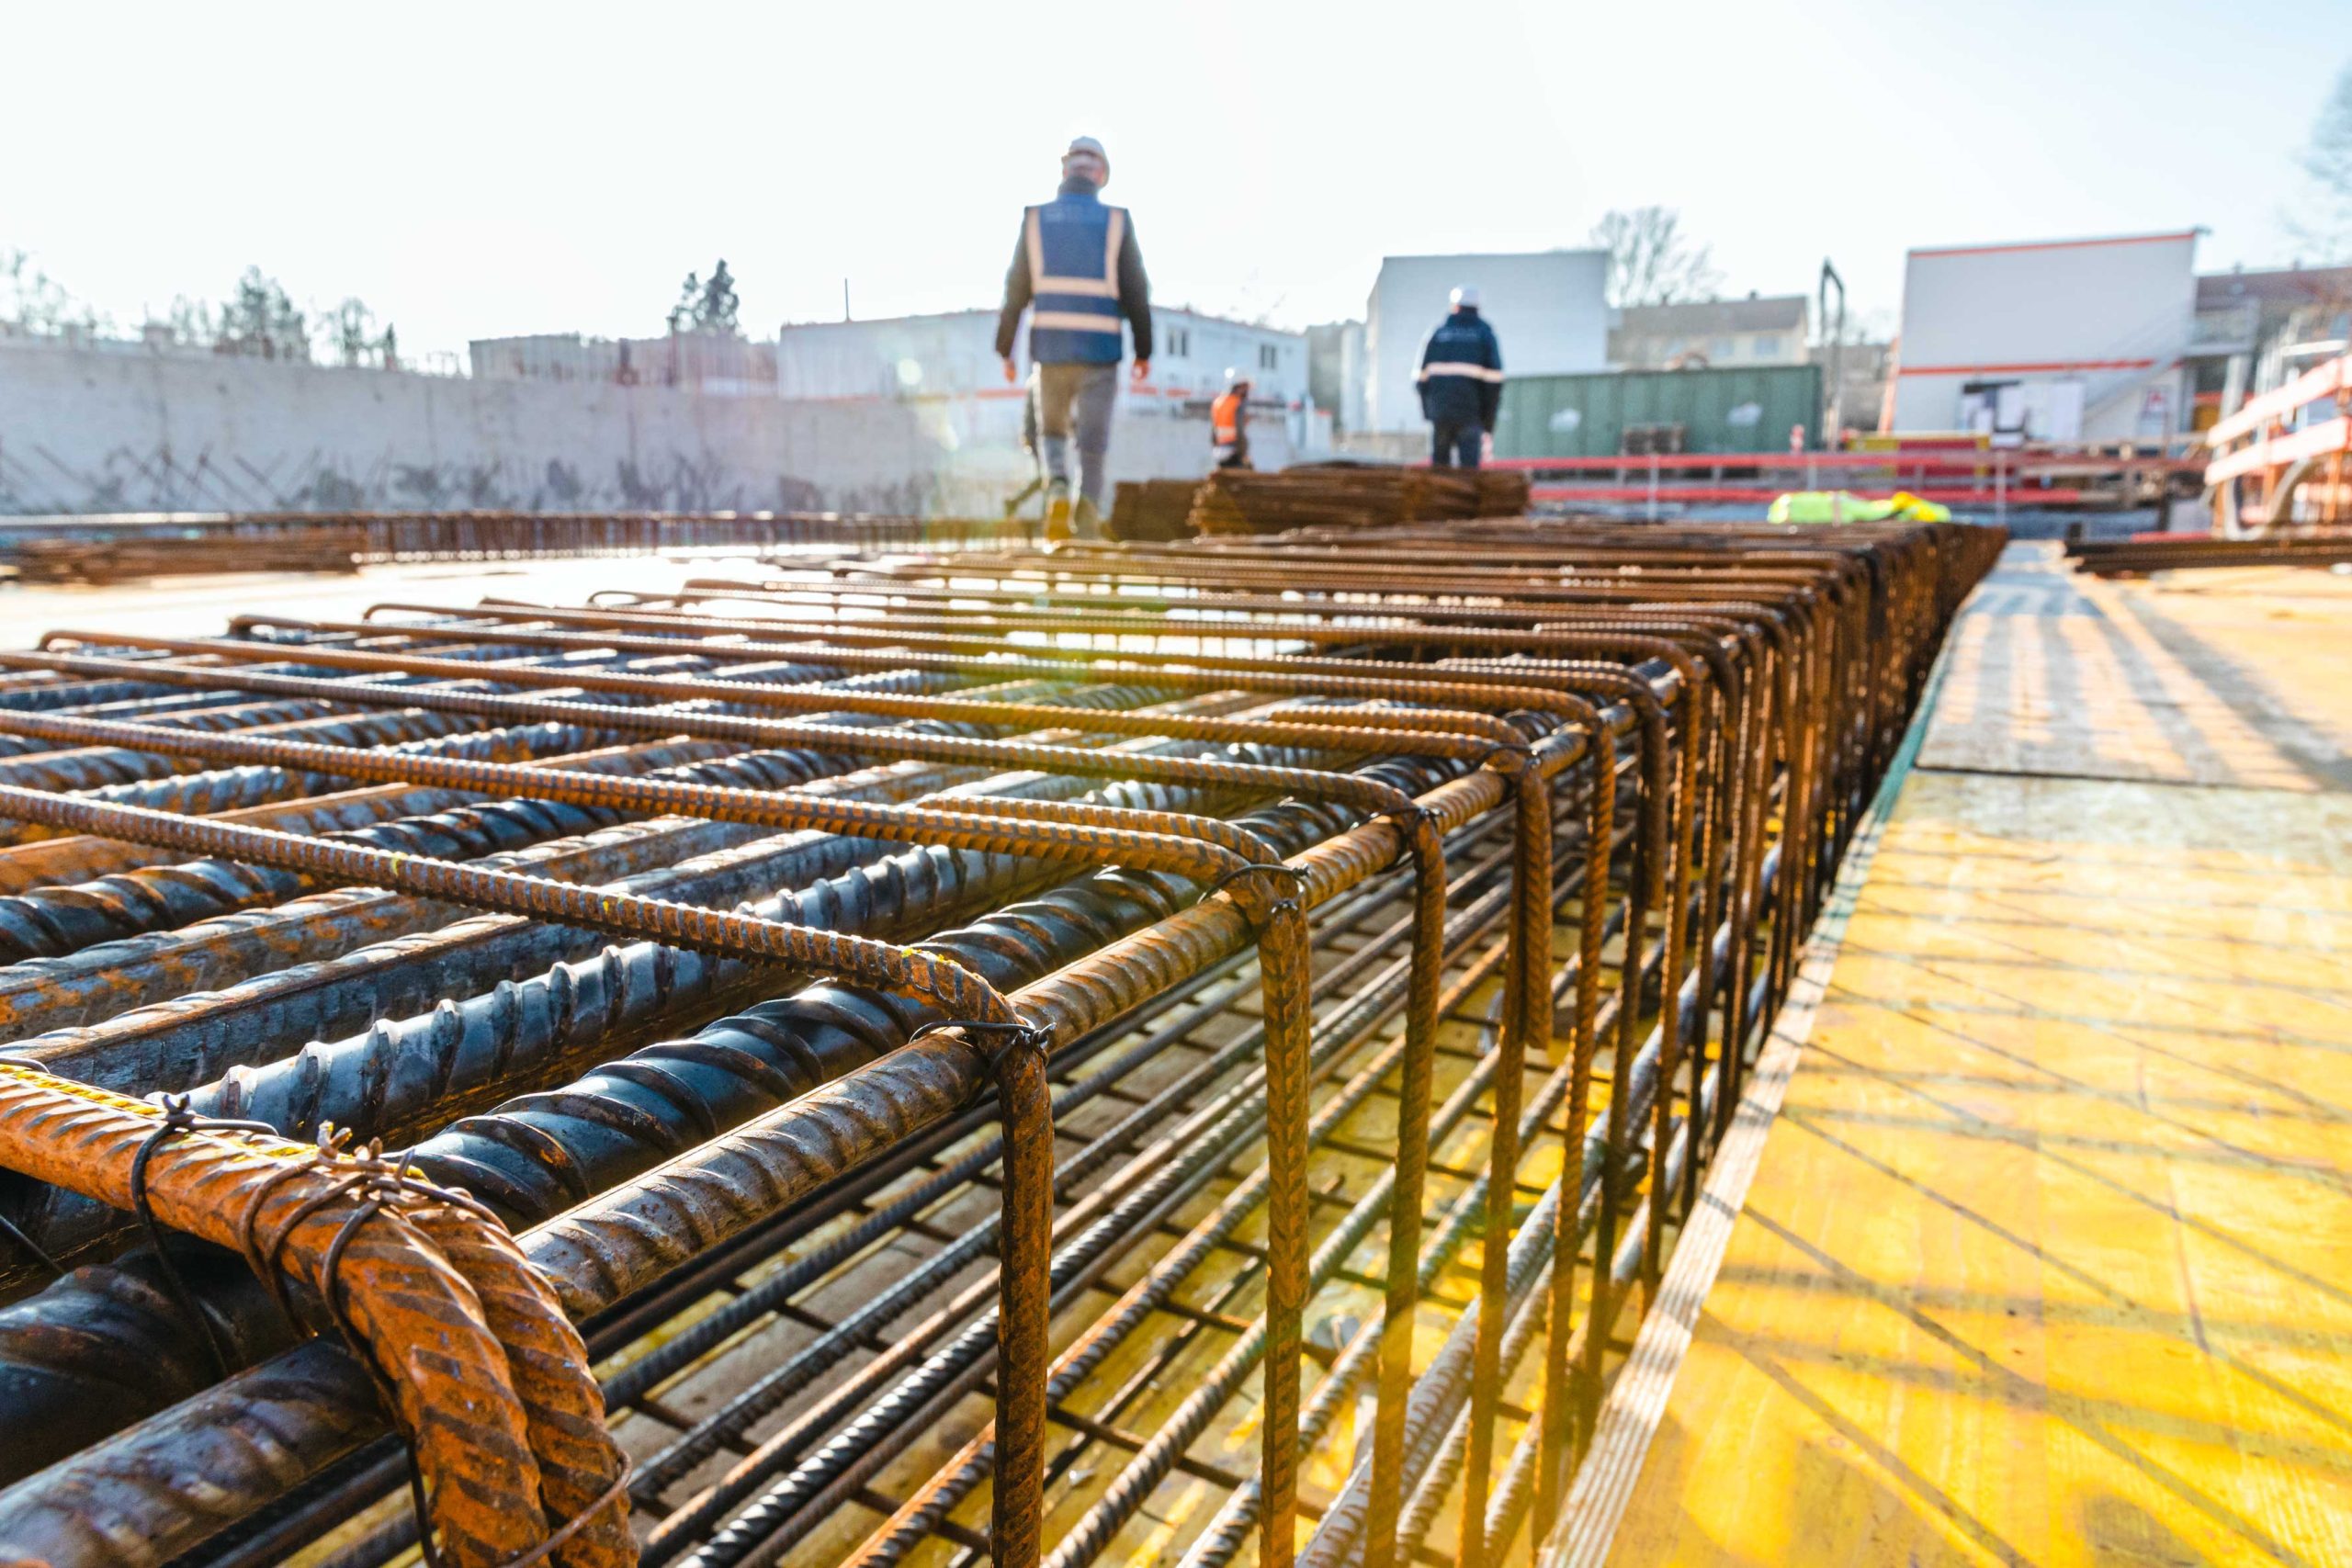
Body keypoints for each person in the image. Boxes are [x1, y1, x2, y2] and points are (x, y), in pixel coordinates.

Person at [996, 135, 1152, 541]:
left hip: (1051, 350)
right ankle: (1085, 519)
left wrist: (1005, 348)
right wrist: (1145, 349)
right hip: (1101, 351)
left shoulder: (1036, 219)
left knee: (1052, 433)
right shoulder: (1116, 221)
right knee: (1093, 442)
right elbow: (1137, 288)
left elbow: (1015, 287)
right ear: (1100, 174)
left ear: (1065, 171)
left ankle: (1058, 490)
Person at [1417, 285, 1503, 469]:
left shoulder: (1437, 334)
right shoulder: (1485, 336)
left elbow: (1420, 380)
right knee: (1469, 473)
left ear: (1454, 307)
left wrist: (1429, 413)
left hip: (1440, 415)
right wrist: (1487, 422)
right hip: (1471, 416)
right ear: (1477, 308)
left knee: (1440, 472)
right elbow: (1494, 384)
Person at [1210, 369, 1251, 469]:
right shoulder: (1237, 403)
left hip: (1219, 452)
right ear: (1240, 386)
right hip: (1234, 452)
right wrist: (1244, 454)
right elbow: (1239, 431)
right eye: (1246, 387)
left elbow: (1213, 432)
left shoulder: (1218, 402)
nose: (1247, 391)